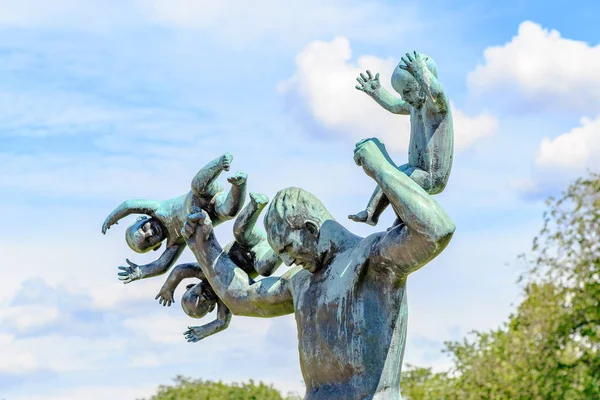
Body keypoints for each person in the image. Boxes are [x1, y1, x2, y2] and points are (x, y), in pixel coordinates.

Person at [181, 138, 455, 399]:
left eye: (289, 248)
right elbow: (243, 298)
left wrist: (380, 169)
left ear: (311, 230)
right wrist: (204, 244)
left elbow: (435, 231)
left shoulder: (373, 260)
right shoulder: (299, 282)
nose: (287, 261)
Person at [101, 153, 247, 283]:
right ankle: (239, 183)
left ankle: (220, 163)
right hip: (213, 211)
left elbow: (129, 204)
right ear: (156, 246)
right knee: (228, 212)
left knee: (197, 186)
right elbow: (162, 265)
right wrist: (141, 271)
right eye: (149, 240)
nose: (150, 233)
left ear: (142, 219)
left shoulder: (157, 209)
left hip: (203, 193)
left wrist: (112, 217)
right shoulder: (174, 242)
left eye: (143, 229)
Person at [349, 51, 454, 227]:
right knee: (390, 174)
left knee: (397, 180)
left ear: (421, 87)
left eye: (406, 92)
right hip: (416, 168)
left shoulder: (435, 106)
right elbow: (395, 105)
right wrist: (377, 92)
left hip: (432, 175)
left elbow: (437, 92)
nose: (403, 98)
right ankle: (371, 213)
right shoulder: (415, 104)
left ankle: (402, 219)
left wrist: (422, 73)